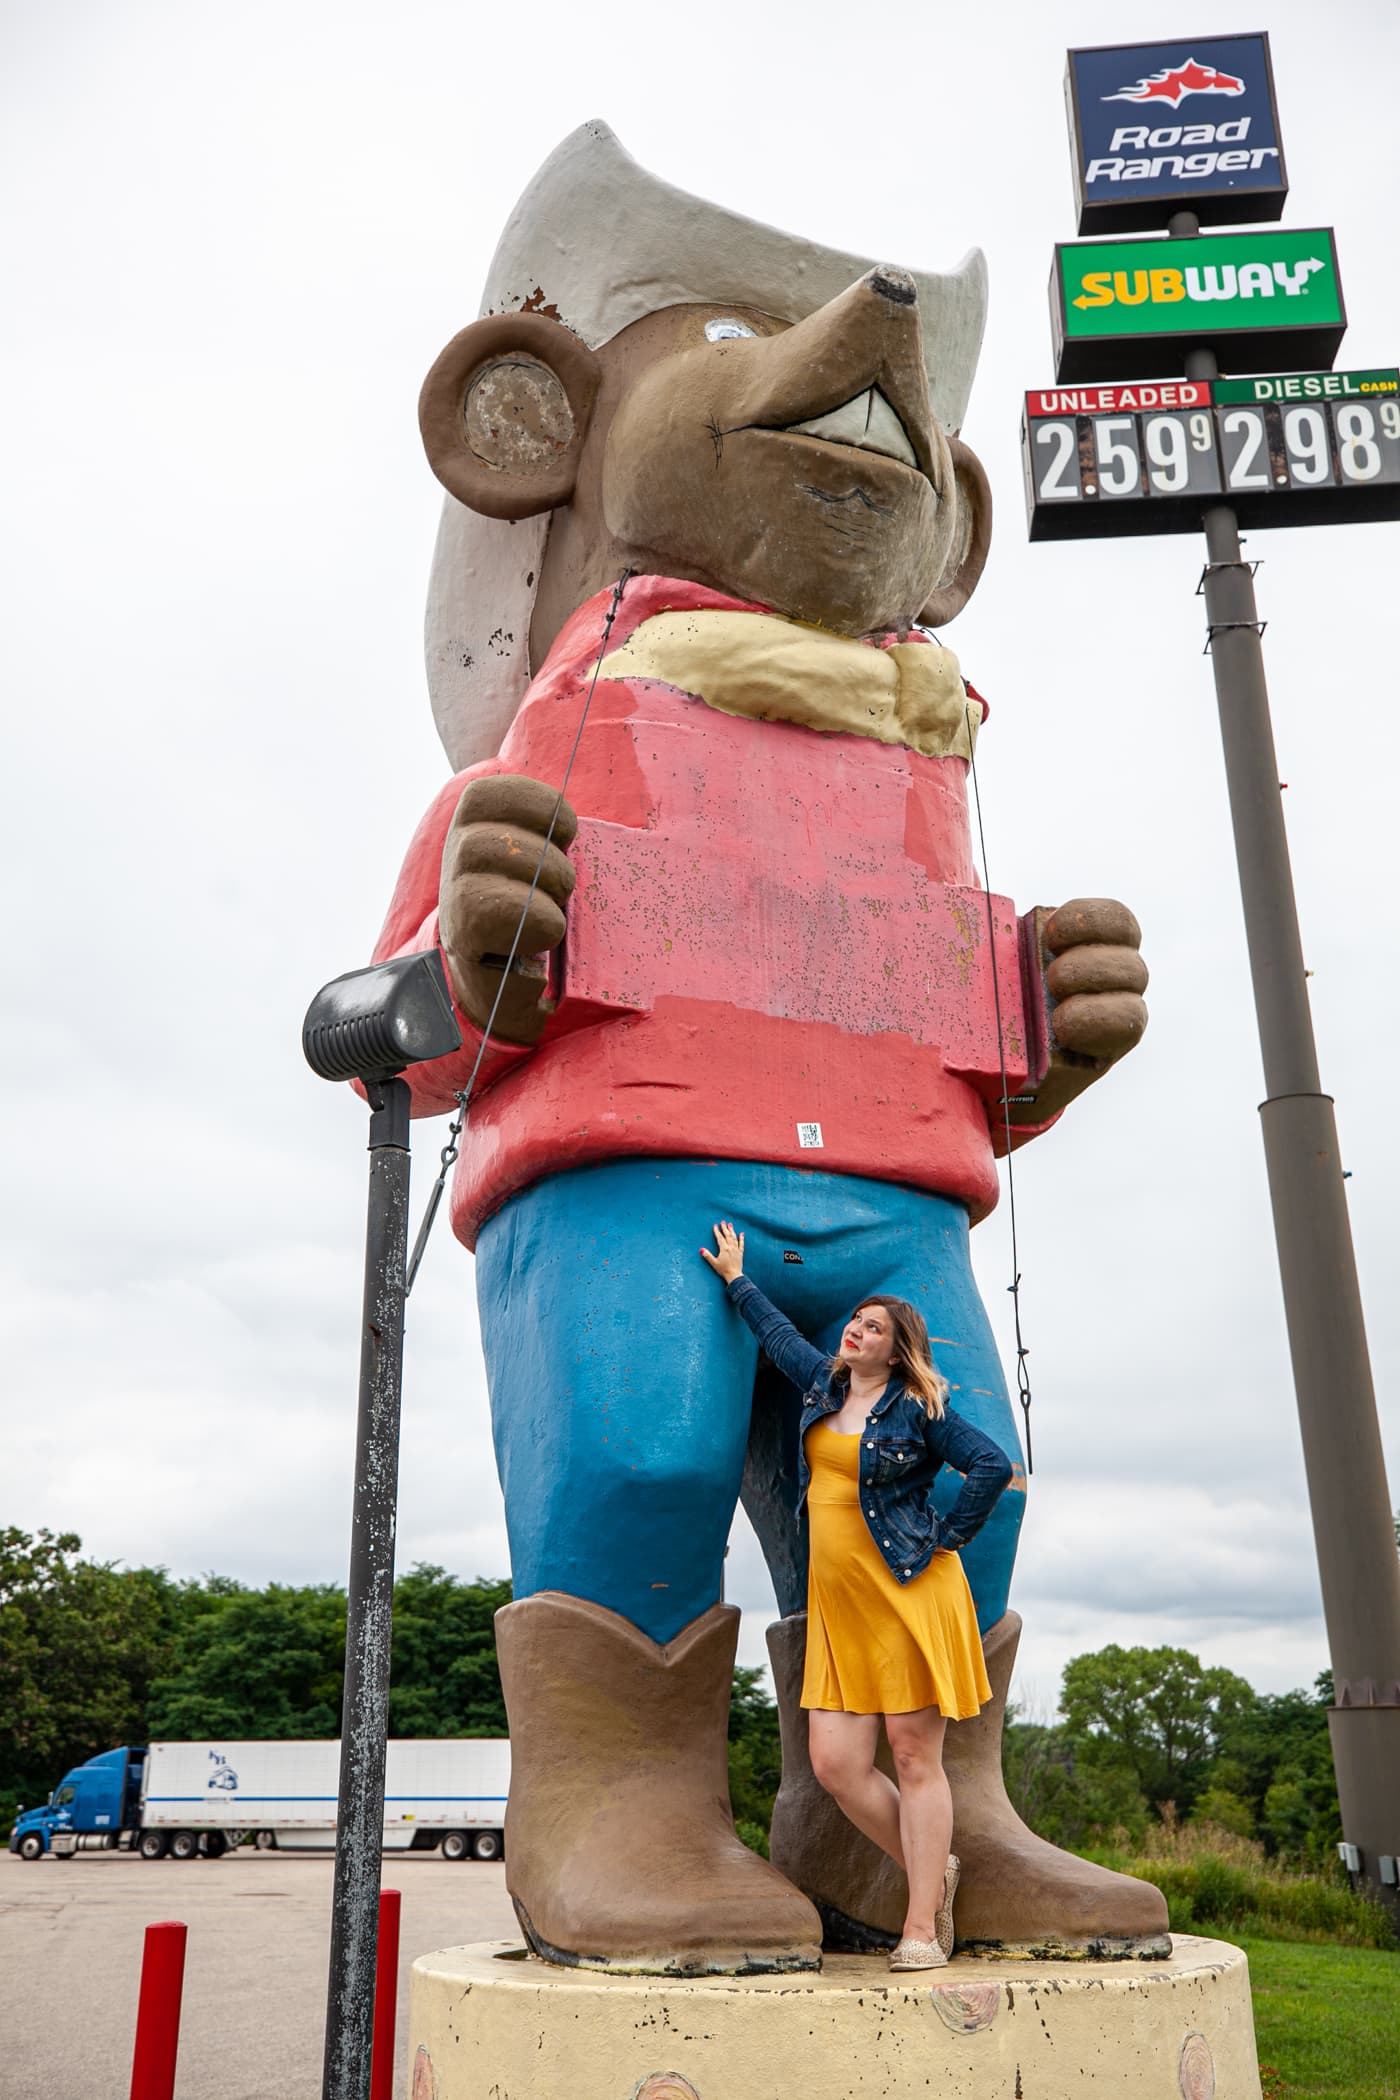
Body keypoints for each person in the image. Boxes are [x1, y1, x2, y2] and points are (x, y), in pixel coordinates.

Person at [701, 1219, 1012, 1971]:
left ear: (897, 1346)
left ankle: (917, 1928)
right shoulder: (821, 1386)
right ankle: (933, 1870)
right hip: (840, 1606)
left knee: (913, 1757)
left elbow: (991, 1466)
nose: (855, 1331)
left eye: (872, 1327)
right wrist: (739, 1280)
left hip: (909, 1595)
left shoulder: (918, 1410)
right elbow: (778, 1337)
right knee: (837, 1765)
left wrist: (946, 1538)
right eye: (854, 1321)